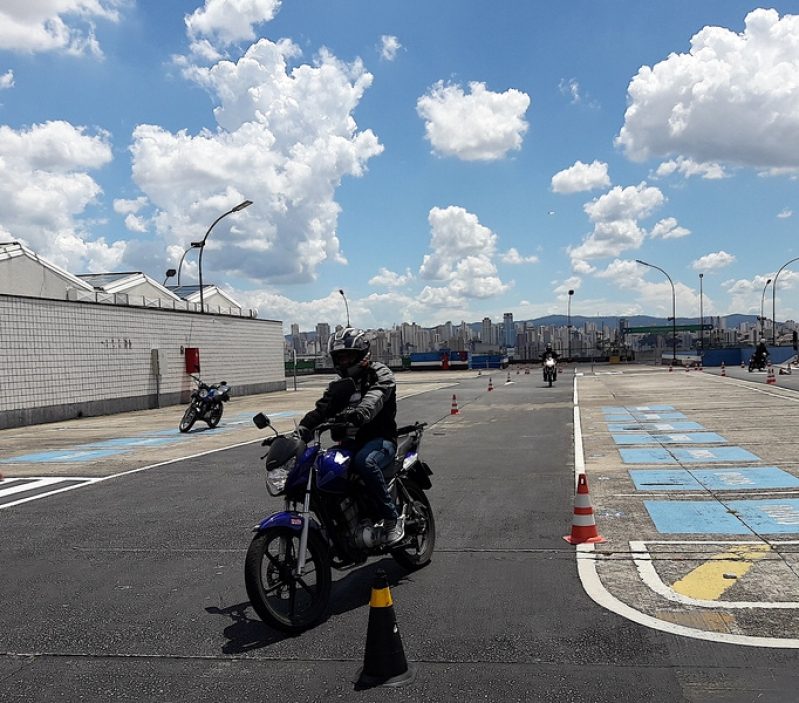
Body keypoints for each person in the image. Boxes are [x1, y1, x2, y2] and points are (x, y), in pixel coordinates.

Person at [295, 327, 404, 545]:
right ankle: (338, 524)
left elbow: (376, 396)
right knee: (321, 469)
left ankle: (391, 519)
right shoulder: (338, 386)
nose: (344, 361)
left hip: (379, 440)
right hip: (348, 443)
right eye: (340, 357)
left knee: (365, 462)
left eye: (349, 356)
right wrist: (298, 433)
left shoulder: (379, 373)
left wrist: (360, 413)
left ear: (362, 354)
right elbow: (321, 410)